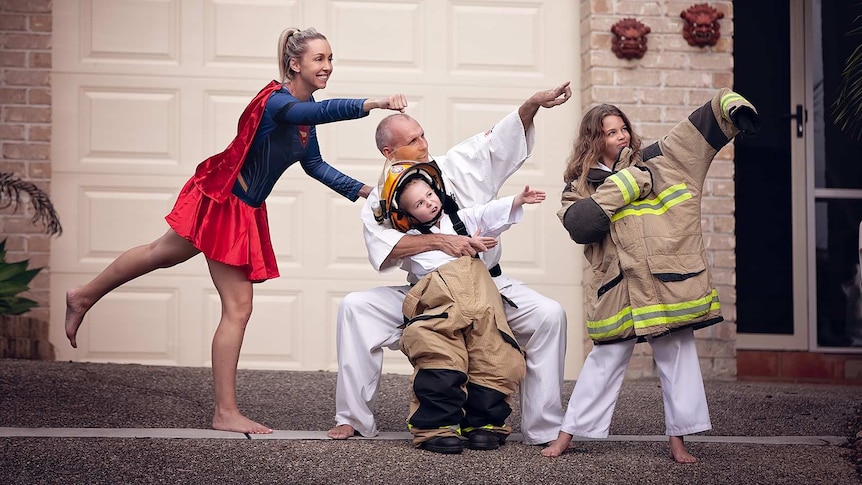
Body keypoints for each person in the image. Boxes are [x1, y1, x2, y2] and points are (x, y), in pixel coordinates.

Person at [63, 27, 408, 434]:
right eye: (319, 59)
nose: (327, 66)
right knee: (238, 308)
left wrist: (374, 194)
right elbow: (315, 114)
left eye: (330, 59)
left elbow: (314, 164)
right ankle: (224, 411)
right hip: (226, 200)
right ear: (294, 64)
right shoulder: (279, 103)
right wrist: (376, 103)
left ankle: (83, 295)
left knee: (160, 253)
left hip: (239, 204)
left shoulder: (302, 108)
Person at [328, 82, 573, 447]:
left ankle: (542, 426)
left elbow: (499, 142)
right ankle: (352, 419)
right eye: (413, 141)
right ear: (388, 151)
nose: (423, 144)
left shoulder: (453, 165)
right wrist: (445, 241)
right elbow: (388, 250)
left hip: (487, 287)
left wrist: (532, 105)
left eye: (422, 134)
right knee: (355, 308)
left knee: (549, 315)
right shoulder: (381, 201)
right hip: (428, 295)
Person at [541, 89, 760, 462]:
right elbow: (581, 226)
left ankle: (678, 442)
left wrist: (733, 106)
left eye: (622, 127)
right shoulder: (576, 187)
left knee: (677, 356)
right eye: (610, 132)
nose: (621, 135)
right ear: (594, 140)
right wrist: (628, 184)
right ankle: (566, 436)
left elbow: (700, 125)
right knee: (603, 362)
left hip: (665, 284)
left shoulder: (661, 160)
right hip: (619, 290)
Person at [379, 160, 545, 453]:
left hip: (482, 300)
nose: (429, 203)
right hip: (440, 305)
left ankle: (484, 424)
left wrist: (518, 200)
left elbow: (487, 213)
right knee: (439, 358)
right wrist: (456, 244)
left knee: (496, 356)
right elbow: (392, 251)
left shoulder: (461, 219)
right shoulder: (414, 240)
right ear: (405, 216)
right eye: (418, 203)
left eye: (430, 195)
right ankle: (435, 428)